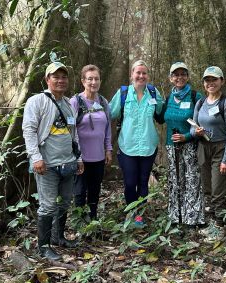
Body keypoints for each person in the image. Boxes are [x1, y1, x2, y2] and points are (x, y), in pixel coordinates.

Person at [22, 62, 84, 261]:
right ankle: (44, 246)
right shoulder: (37, 101)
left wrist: (79, 158)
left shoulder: (68, 104)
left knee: (65, 202)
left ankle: (58, 238)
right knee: (47, 206)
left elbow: (74, 134)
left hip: (67, 163)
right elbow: (29, 130)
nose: (60, 80)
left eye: (63, 77)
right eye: (55, 77)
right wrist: (36, 157)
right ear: (47, 79)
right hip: (46, 165)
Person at [109, 60, 163, 220]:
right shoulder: (124, 93)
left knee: (143, 182)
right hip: (128, 146)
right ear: (132, 75)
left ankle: (140, 217)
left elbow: (162, 113)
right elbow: (110, 113)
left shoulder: (153, 93)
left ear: (148, 75)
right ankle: (131, 214)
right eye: (137, 73)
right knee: (130, 183)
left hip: (148, 145)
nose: (141, 76)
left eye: (144, 73)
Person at [191, 66, 226, 237]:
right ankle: (210, 224)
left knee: (219, 189)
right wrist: (196, 132)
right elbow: (192, 128)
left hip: (221, 148)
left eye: (214, 79)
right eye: (207, 80)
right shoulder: (200, 102)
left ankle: (220, 228)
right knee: (207, 188)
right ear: (204, 83)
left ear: (222, 81)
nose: (211, 83)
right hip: (204, 147)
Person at [162, 62, 205, 228]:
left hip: (190, 145)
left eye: (183, 74)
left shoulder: (195, 96)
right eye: (175, 74)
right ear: (171, 78)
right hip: (171, 146)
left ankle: (192, 218)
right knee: (174, 180)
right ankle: (176, 216)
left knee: (192, 179)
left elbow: (202, 125)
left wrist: (186, 136)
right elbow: (160, 116)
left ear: (187, 77)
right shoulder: (168, 98)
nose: (179, 77)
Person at [70, 65, 112, 221]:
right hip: (81, 157)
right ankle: (80, 223)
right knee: (80, 192)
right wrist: (77, 156)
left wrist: (108, 149)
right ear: (83, 81)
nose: (93, 82)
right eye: (90, 79)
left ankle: (92, 221)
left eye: (96, 79)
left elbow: (107, 127)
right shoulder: (75, 101)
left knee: (95, 191)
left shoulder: (103, 101)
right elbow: (71, 130)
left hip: (98, 157)